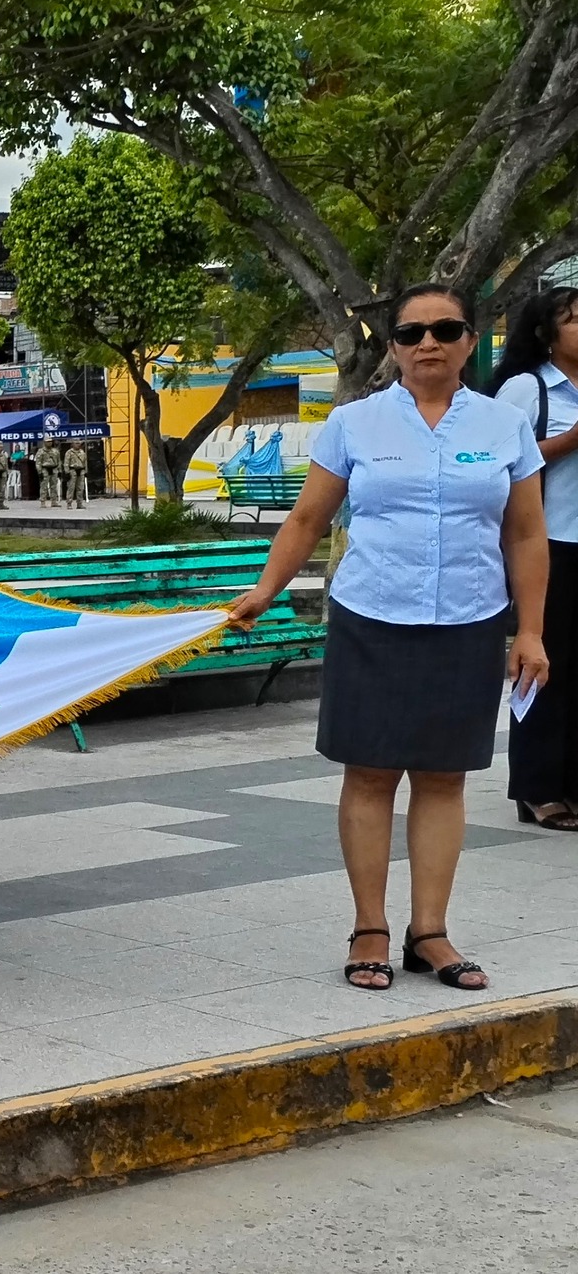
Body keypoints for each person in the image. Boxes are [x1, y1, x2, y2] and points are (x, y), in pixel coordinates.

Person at [232, 282, 548, 994]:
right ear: (395, 347)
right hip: (373, 617)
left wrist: (529, 630)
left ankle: (429, 932)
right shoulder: (355, 423)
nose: (427, 343)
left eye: (445, 329)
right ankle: (369, 927)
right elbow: (308, 519)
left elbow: (526, 533)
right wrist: (265, 589)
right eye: (411, 334)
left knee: (444, 778)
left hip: (468, 621)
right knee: (370, 775)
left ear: (471, 339)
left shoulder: (503, 427)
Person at [495, 287, 578, 829]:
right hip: (551, 543)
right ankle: (538, 787)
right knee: (547, 664)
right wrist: (572, 439)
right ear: (547, 333)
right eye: (575, 320)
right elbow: (500, 457)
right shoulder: (528, 388)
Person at [35, 437, 63, 507]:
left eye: (50, 441)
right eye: (48, 442)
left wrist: (60, 471)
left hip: (54, 469)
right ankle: (43, 502)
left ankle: (54, 501)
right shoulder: (41, 451)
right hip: (45, 469)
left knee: (54, 486)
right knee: (44, 486)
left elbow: (59, 461)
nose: (49, 443)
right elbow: (38, 462)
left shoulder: (55, 451)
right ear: (44, 442)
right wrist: (39, 472)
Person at [64, 440, 90, 508]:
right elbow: (66, 463)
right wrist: (67, 472)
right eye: (76, 443)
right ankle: (69, 503)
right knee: (71, 488)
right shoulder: (69, 452)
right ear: (73, 444)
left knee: (80, 488)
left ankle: (79, 503)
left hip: (81, 470)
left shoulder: (82, 452)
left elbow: (85, 462)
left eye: (79, 443)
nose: (78, 445)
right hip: (72, 470)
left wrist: (86, 471)